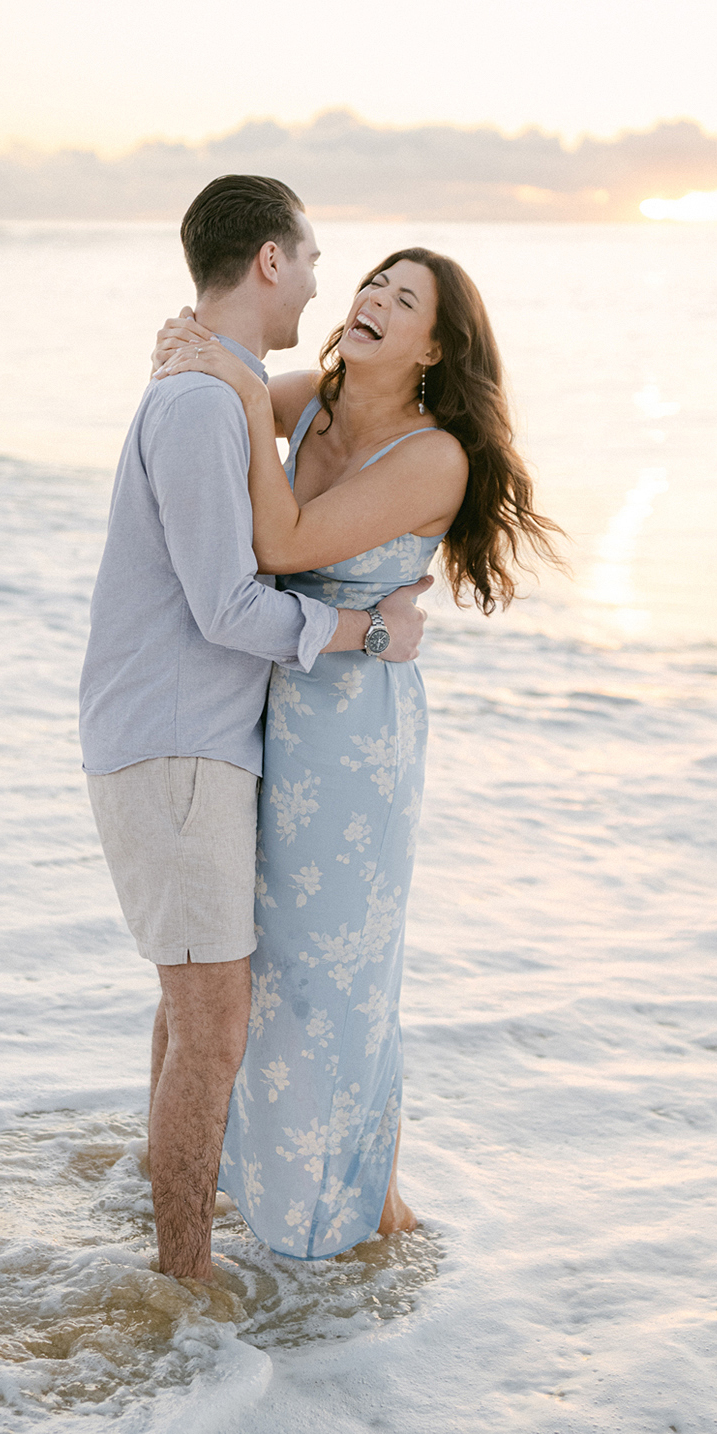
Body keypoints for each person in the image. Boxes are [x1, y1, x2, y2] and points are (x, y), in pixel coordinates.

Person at [153, 246, 564, 1258]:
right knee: (239, 960)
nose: (374, 299)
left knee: (332, 972)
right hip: (259, 705)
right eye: (373, 283)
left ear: (435, 346)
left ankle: (350, 1222)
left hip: (350, 736)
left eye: (404, 297)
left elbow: (284, 543)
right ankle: (226, 1180)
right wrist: (190, 351)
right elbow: (225, 389)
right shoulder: (319, 400)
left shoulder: (437, 456)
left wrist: (242, 398)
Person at [79, 176, 432, 1284]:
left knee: (193, 1009)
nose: (331, 284)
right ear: (271, 262)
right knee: (215, 1027)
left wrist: (217, 363)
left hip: (204, 739)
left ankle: (171, 1222)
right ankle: (181, 1274)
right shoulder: (199, 404)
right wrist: (369, 627)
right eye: (321, 260)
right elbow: (228, 603)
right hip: (179, 742)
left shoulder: (223, 388)